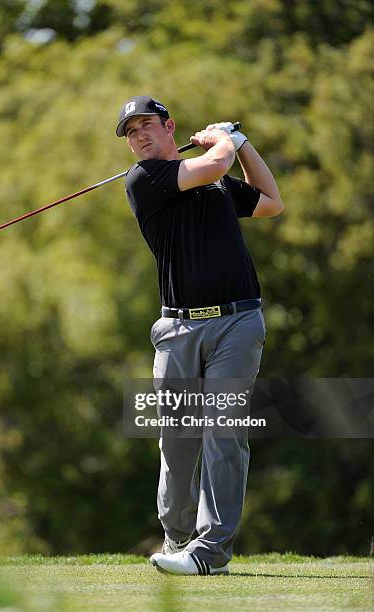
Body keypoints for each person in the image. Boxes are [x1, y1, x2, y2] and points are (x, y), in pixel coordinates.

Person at [116, 95, 283, 576]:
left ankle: (211, 552)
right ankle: (178, 536)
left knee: (224, 434)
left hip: (238, 321)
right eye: (131, 133)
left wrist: (243, 144)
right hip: (177, 329)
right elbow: (212, 164)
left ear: (170, 127)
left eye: (147, 125)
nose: (140, 137)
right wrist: (223, 141)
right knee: (178, 438)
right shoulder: (144, 180)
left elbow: (272, 202)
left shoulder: (215, 184)